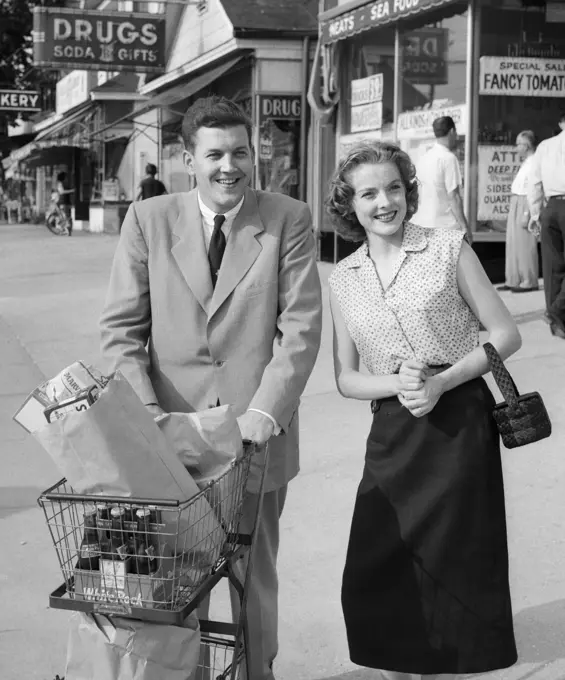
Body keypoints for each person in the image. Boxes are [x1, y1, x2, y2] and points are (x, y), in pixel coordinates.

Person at [100, 95, 323, 680]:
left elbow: (300, 329)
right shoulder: (149, 220)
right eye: (216, 154)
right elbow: (122, 332)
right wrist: (149, 416)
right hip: (172, 438)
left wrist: (266, 413)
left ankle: (258, 673)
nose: (231, 167)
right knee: (178, 578)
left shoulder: (286, 218)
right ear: (187, 159)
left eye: (241, 153)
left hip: (256, 436)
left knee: (255, 575)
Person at [326, 140, 521, 679]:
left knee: (449, 561)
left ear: (409, 193)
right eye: (369, 193)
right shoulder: (344, 278)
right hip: (392, 430)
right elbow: (344, 378)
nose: (384, 202)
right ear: (350, 203)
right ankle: (397, 668)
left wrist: (442, 381)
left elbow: (504, 336)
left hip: (459, 425)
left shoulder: (447, 246)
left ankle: (440, 668)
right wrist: (397, 382)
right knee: (375, 561)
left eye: (393, 188)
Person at [528, 111, 565, 339]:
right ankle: (555, 311)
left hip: (550, 207)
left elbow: (535, 182)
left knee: (553, 267)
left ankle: (557, 323)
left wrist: (535, 213)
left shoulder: (544, 146)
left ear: (561, 123)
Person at [413, 116, 473, 243]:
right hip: (445, 227)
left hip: (423, 223)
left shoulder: (424, 158)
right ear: (452, 131)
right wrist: (465, 226)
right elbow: (454, 197)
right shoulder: (448, 158)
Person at [497, 130, 539, 293]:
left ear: (526, 145)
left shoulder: (535, 162)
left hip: (525, 202)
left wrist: (529, 212)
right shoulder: (527, 162)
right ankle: (513, 278)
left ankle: (529, 279)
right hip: (517, 200)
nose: (516, 147)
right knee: (513, 242)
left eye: (518, 144)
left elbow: (534, 188)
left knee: (525, 242)